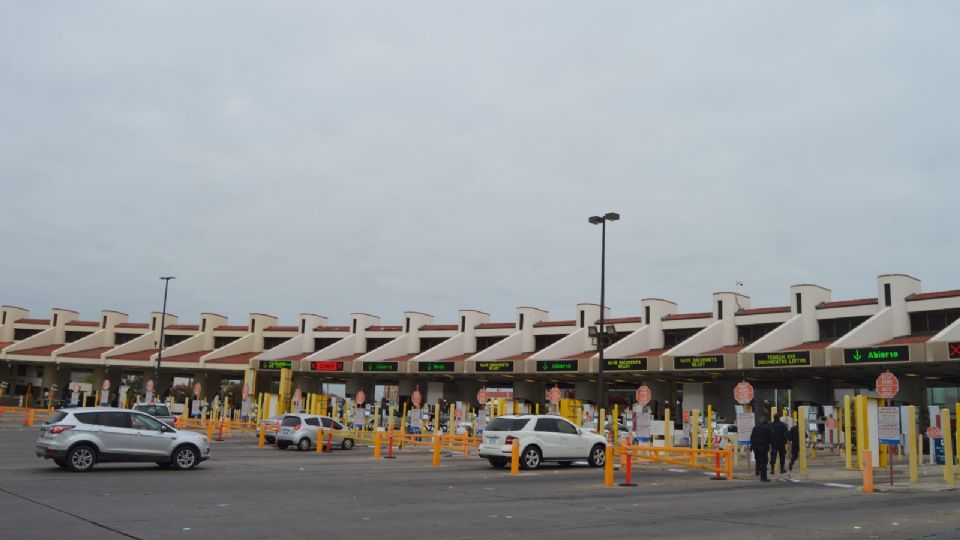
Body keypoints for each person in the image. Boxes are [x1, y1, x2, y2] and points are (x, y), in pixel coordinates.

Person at [750, 415, 773, 482]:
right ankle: (763, 477)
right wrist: (770, 445)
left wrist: (751, 446)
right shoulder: (768, 428)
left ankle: (757, 472)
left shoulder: (755, 427)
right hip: (763, 446)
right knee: (764, 462)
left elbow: (752, 437)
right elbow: (771, 439)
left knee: (758, 459)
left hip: (755, 446)